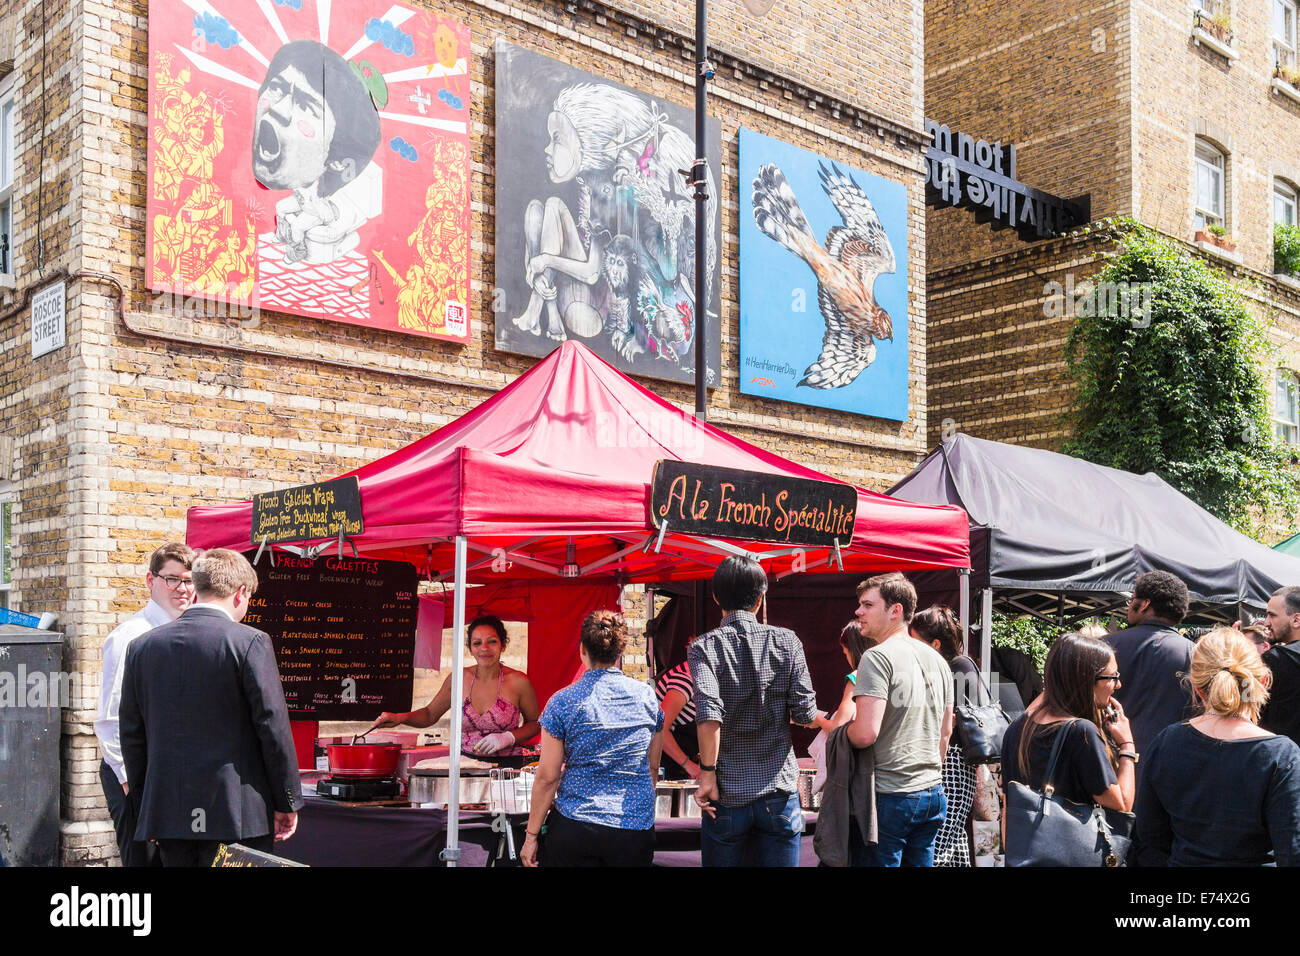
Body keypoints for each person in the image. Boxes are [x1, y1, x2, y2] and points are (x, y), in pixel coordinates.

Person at [119, 548, 302, 866]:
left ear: (198, 587)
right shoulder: (250, 642)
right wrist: (286, 800)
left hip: (169, 812)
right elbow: (272, 728)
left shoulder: (142, 647)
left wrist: (145, 805)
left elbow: (132, 736)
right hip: (237, 814)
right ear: (241, 592)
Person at [689, 555, 818, 867]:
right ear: (761, 598)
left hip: (727, 792)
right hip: (779, 790)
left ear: (716, 596)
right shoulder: (787, 641)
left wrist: (707, 776)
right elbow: (805, 712)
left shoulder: (704, 647)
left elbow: (709, 713)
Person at [1138, 627, 1300, 866]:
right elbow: (1293, 851)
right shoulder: (1282, 755)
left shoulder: (1166, 742)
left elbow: (1149, 837)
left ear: (1196, 686)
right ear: (1263, 681)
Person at [520, 610, 662, 867]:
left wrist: (531, 835)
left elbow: (548, 776)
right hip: (632, 826)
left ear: (582, 650)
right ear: (620, 652)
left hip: (578, 824)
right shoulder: (647, 698)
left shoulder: (562, 701)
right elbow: (653, 767)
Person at [94, 542, 195, 867]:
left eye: (189, 580)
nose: (183, 588)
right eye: (173, 579)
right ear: (151, 581)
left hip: (170, 775)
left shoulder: (191, 632)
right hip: (135, 776)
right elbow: (109, 719)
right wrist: (129, 783)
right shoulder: (129, 636)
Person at [847, 573, 954, 867]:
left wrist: (840, 733)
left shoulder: (876, 657)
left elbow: (865, 733)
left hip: (891, 795)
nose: (859, 612)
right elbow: (946, 731)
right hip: (932, 791)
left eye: (868, 605)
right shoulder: (939, 661)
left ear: (895, 611)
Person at [253, 41, 383, 264]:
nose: (278, 110)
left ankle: (296, 251)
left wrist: (320, 215)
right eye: (276, 88)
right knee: (280, 208)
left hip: (318, 211)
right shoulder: (300, 183)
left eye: (305, 105)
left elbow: (325, 213)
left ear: (337, 160)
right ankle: (280, 235)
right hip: (308, 204)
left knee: (298, 225)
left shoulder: (321, 191)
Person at [1001, 632, 1136, 832]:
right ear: (1087, 680)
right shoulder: (1081, 732)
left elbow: (1008, 805)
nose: (1118, 684)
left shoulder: (1017, 727)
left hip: (1026, 854)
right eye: (1113, 677)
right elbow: (1122, 804)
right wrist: (1127, 746)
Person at [369, 615, 541, 761]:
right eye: (477, 643)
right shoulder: (458, 678)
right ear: (470, 649)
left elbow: (535, 723)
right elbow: (430, 714)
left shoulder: (519, 681)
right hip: (465, 765)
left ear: (503, 645)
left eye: (492, 642)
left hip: (508, 768)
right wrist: (400, 717)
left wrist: (509, 737)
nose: (484, 648)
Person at [909, 604, 976, 867]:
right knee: (951, 839)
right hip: (949, 760)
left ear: (935, 644)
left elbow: (954, 719)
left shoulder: (958, 665)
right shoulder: (947, 666)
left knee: (940, 841)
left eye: (916, 642)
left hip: (952, 762)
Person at [1107, 570, 1196, 756]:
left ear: (1145, 604)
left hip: (1108, 757)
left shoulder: (1103, 646)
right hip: (1168, 759)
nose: (1129, 605)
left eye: (1132, 599)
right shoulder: (1195, 654)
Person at [813, 621, 874, 734]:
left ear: (853, 650)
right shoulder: (884, 672)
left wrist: (817, 719)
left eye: (845, 653)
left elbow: (837, 727)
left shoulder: (857, 677)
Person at [1261, 586, 1300, 745]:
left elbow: (1248, 709)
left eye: (1272, 615)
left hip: (1282, 759)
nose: (1266, 623)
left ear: (1296, 620)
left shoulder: (1275, 660)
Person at [655, 650, 700, 780]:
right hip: (668, 767)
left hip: (680, 763)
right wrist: (689, 766)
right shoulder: (685, 680)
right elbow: (660, 729)